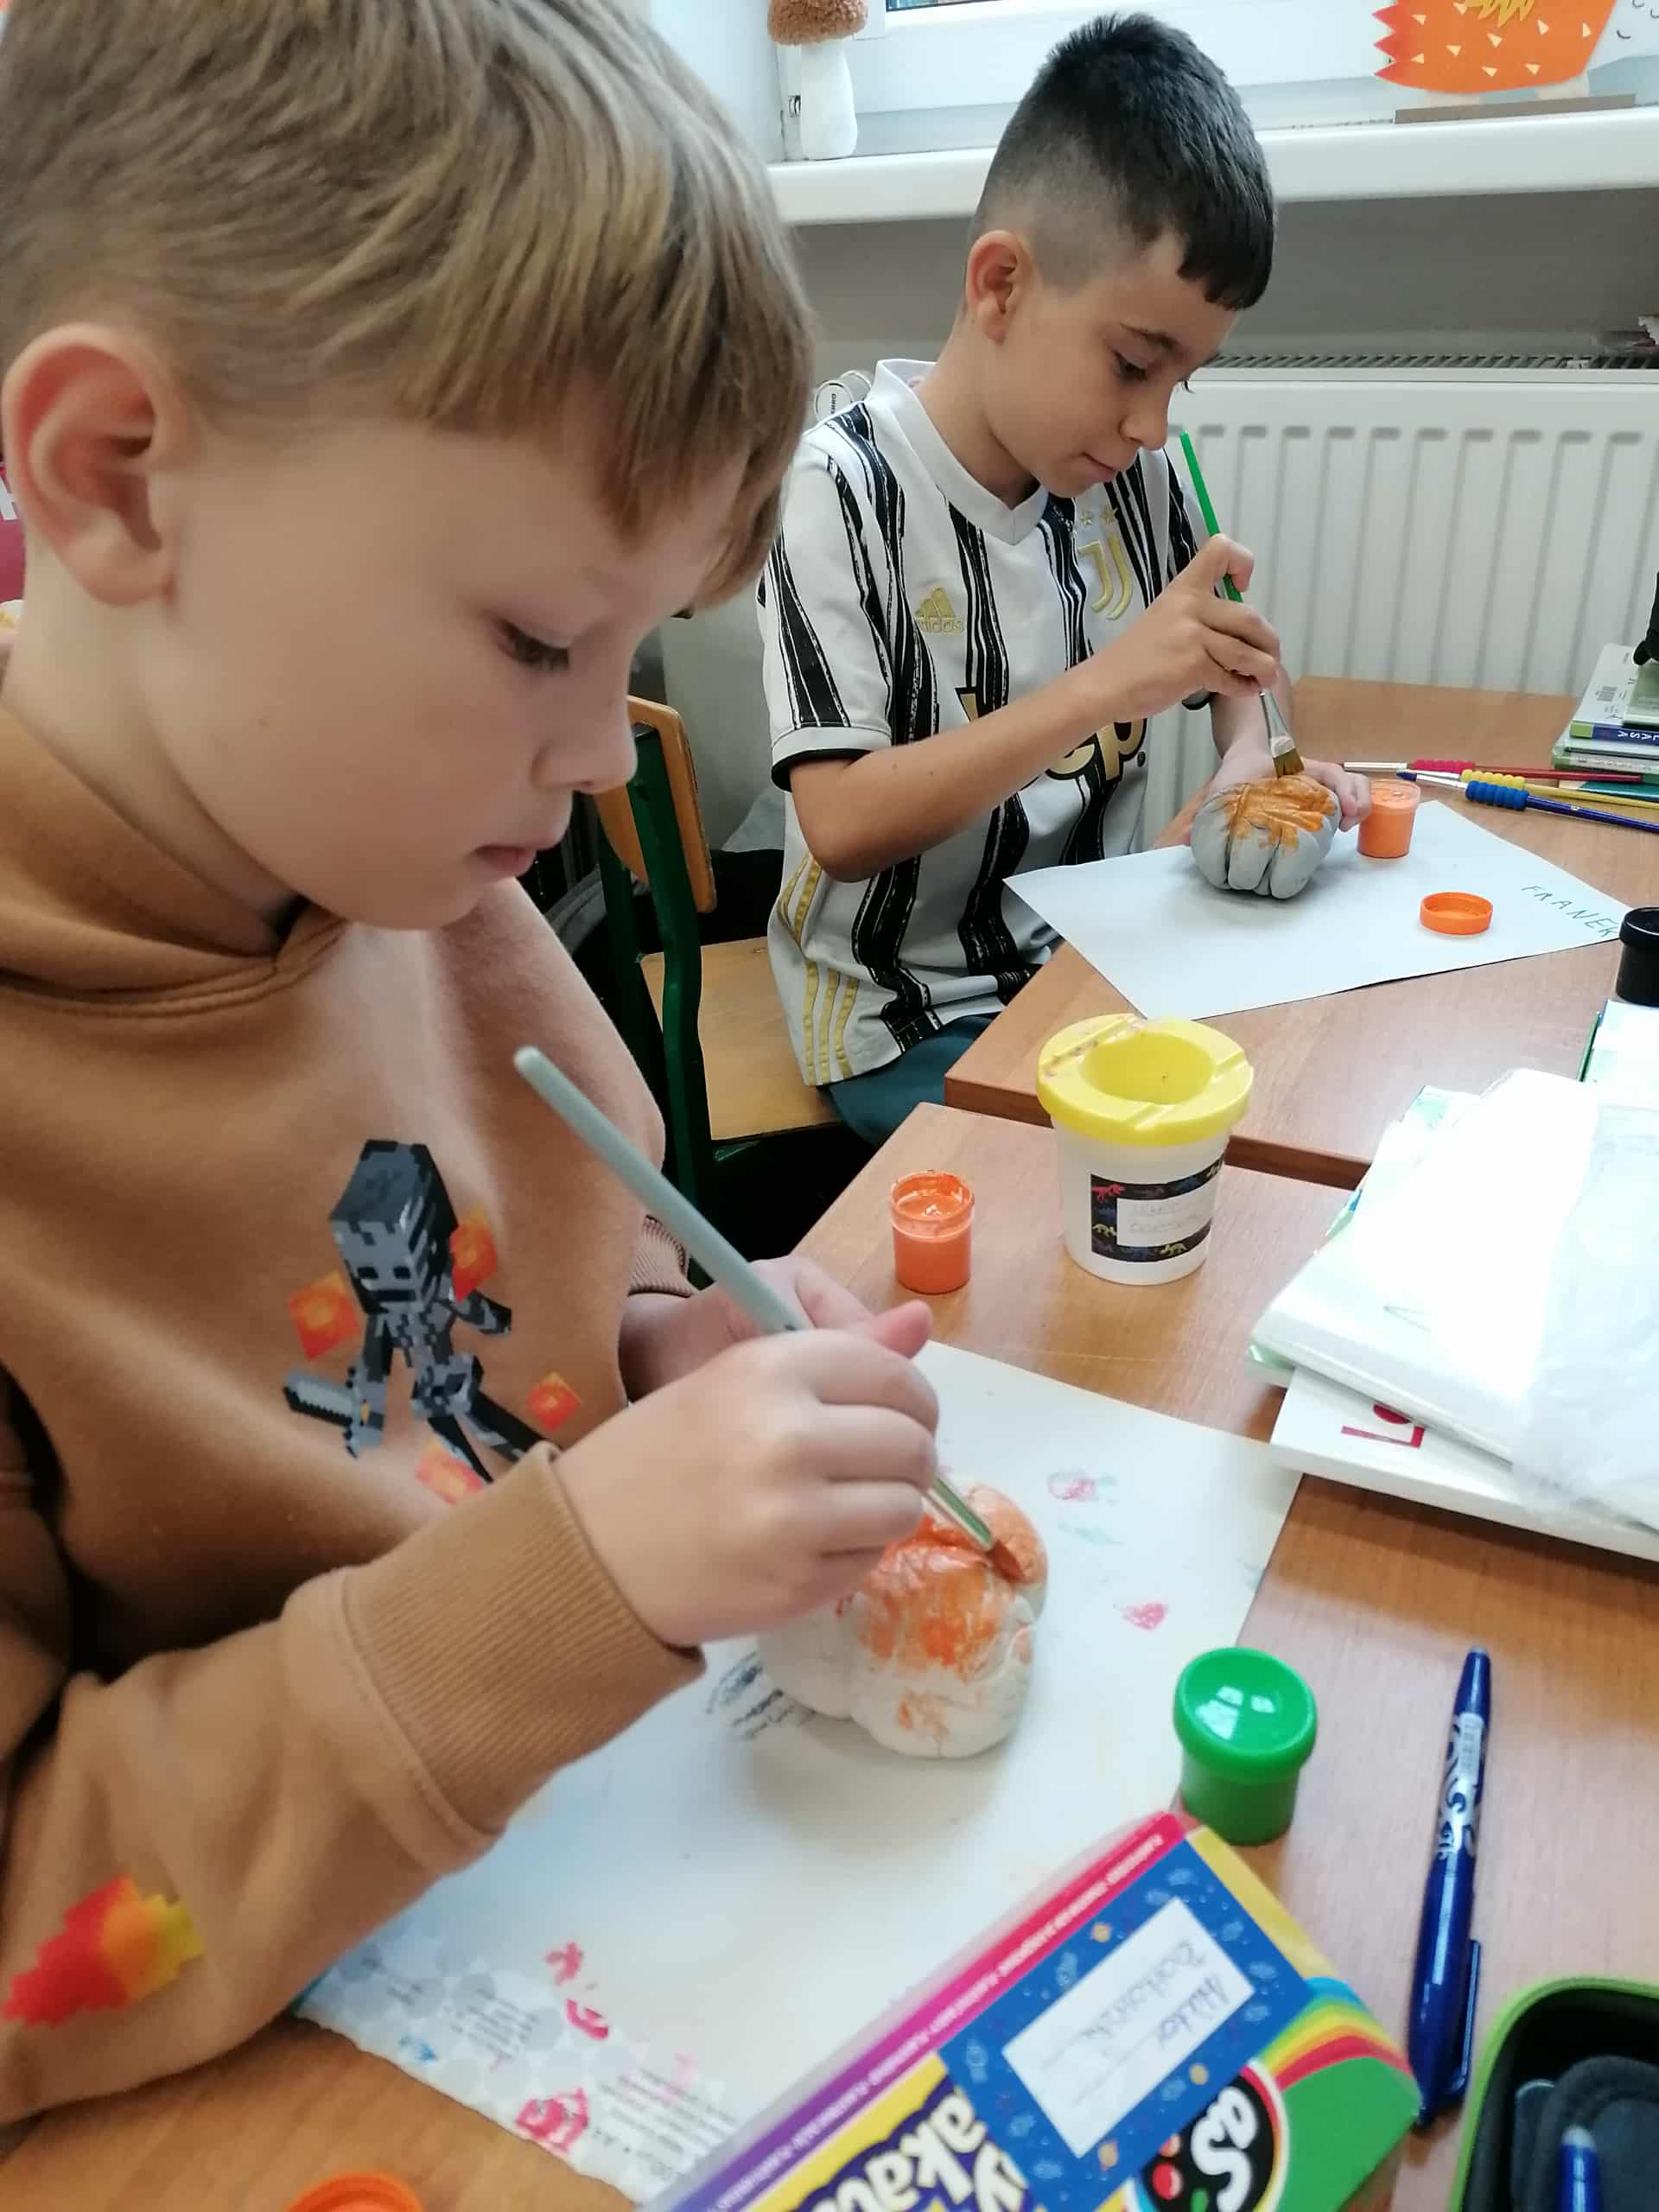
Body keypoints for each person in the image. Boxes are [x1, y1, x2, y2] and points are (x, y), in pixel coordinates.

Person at [0, 0, 942, 2116]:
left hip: (586, 1913)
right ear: (118, 476)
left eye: (637, 647)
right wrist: (574, 1577)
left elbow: (526, 1319)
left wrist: (658, 1351)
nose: (607, 753)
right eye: (538, 639)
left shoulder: (392, 847)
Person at [760, 12, 1369, 1146]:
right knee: (1138, 1173)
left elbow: (1243, 669)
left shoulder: (1133, 477)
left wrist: (1249, 754)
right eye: (1133, 363)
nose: (1153, 424)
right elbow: (840, 823)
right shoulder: (836, 491)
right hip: (906, 1011)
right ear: (1000, 285)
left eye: (1183, 381)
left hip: (1095, 961)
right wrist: (1105, 686)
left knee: (1303, 1086)